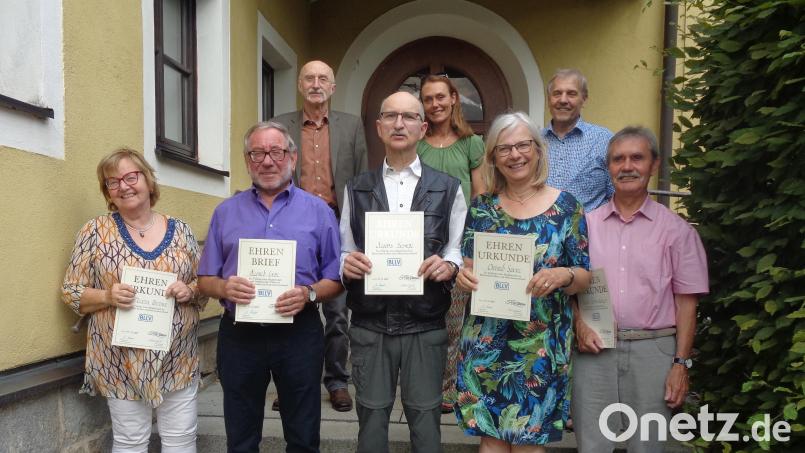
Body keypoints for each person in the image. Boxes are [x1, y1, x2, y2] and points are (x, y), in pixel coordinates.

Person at [197, 121, 343, 453]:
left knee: (304, 434)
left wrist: (308, 293)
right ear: (247, 161)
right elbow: (204, 279)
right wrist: (224, 288)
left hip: (298, 332)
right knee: (241, 435)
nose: (267, 161)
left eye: (276, 151)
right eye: (257, 153)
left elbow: (335, 280)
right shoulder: (225, 212)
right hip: (240, 335)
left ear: (292, 156)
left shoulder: (319, 212)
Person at [454, 112, 591, 452]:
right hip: (487, 341)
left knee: (531, 445)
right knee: (491, 443)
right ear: (493, 159)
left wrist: (564, 275)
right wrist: (462, 276)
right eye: (504, 149)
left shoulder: (567, 207)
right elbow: (468, 268)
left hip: (540, 346)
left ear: (537, 149)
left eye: (522, 145)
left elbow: (585, 276)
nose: (515, 155)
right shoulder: (481, 209)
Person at [340, 91, 467, 453]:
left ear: (423, 128)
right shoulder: (357, 187)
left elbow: (456, 247)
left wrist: (449, 264)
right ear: (378, 127)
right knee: (372, 419)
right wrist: (346, 263)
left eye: (409, 117)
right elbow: (345, 248)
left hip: (424, 322)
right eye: (391, 116)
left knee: (426, 420)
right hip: (370, 321)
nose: (399, 124)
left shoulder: (447, 187)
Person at [572, 126, 708, 453]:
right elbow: (570, 286)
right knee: (593, 446)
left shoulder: (678, 231)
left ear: (654, 165)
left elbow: (687, 303)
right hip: (595, 352)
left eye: (637, 157)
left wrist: (680, 364)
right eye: (618, 159)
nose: (627, 166)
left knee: (647, 446)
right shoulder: (584, 226)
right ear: (608, 168)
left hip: (654, 351)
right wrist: (578, 322)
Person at [62, 148, 206, 452]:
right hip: (120, 362)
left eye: (131, 177)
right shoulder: (94, 231)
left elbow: (204, 285)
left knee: (181, 442)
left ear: (148, 181)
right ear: (108, 193)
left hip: (176, 357)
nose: (124, 186)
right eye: (113, 182)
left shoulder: (181, 231)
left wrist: (190, 290)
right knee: (130, 442)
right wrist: (107, 295)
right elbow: (71, 291)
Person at [271, 60, 367, 412]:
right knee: (289, 305)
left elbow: (358, 182)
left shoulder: (351, 126)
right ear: (299, 84)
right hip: (290, 224)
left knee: (337, 310)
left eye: (322, 78)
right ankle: (291, 382)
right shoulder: (281, 124)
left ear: (333, 86)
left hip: (336, 224)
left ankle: (338, 381)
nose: (316, 84)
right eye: (309, 78)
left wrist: (357, 231)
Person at [417, 74, 486, 412]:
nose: (435, 104)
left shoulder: (471, 144)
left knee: (456, 322)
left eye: (441, 97)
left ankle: (449, 389)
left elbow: (482, 195)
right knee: (425, 320)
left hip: (461, 245)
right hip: (421, 247)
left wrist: (473, 248)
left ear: (454, 98)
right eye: (428, 99)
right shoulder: (416, 144)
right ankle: (422, 383)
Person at [542, 68, 614, 213]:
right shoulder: (534, 142)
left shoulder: (604, 140)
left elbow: (617, 195)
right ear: (549, 99)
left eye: (571, 94)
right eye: (557, 93)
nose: (563, 100)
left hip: (590, 232)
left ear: (584, 99)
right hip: (542, 232)